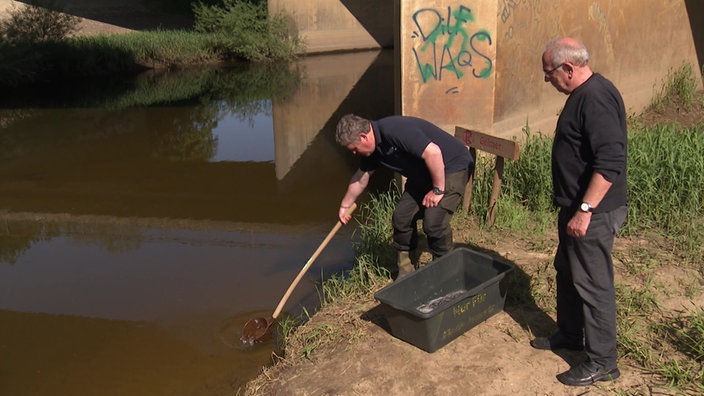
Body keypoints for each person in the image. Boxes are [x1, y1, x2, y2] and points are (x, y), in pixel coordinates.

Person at [529, 37, 628, 386]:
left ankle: (603, 362)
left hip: (593, 213)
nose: (547, 79)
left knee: (593, 284)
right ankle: (571, 334)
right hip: (576, 207)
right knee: (567, 271)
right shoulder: (584, 94)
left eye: (548, 73)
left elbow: (611, 160)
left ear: (568, 69)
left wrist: (585, 209)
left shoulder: (596, 97)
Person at [335, 114, 473, 277]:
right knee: (401, 217)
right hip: (425, 173)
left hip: (451, 167)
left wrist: (437, 190)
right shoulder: (372, 150)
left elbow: (433, 153)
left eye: (354, 148)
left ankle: (445, 271)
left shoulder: (394, 130)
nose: (354, 153)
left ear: (363, 136)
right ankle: (406, 270)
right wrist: (345, 205)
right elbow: (360, 178)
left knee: (434, 222)